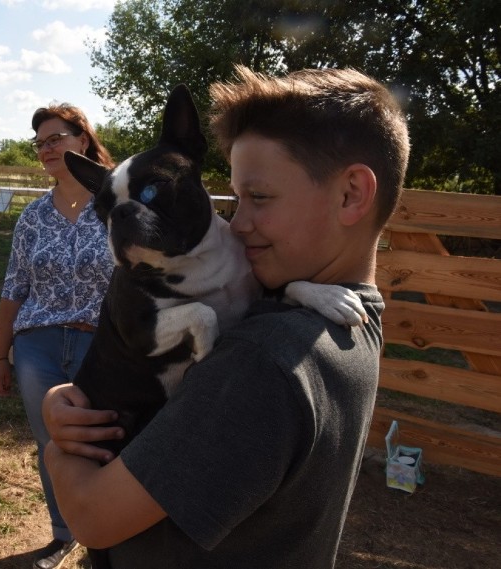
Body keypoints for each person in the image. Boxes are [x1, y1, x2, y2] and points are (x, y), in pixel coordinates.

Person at [41, 65, 410, 568]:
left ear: (351, 195)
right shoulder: (355, 314)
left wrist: (56, 449)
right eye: (236, 199)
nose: (237, 222)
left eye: (258, 198)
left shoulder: (260, 364)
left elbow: (90, 518)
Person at [0, 102, 116, 568]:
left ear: (82, 139)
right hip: (37, 347)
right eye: (40, 143)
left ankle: (107, 536)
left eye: (55, 138)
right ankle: (63, 534)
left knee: (106, 442)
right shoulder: (34, 216)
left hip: (103, 346)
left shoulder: (116, 205)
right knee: (52, 446)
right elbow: (13, 288)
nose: (46, 149)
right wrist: (1, 355)